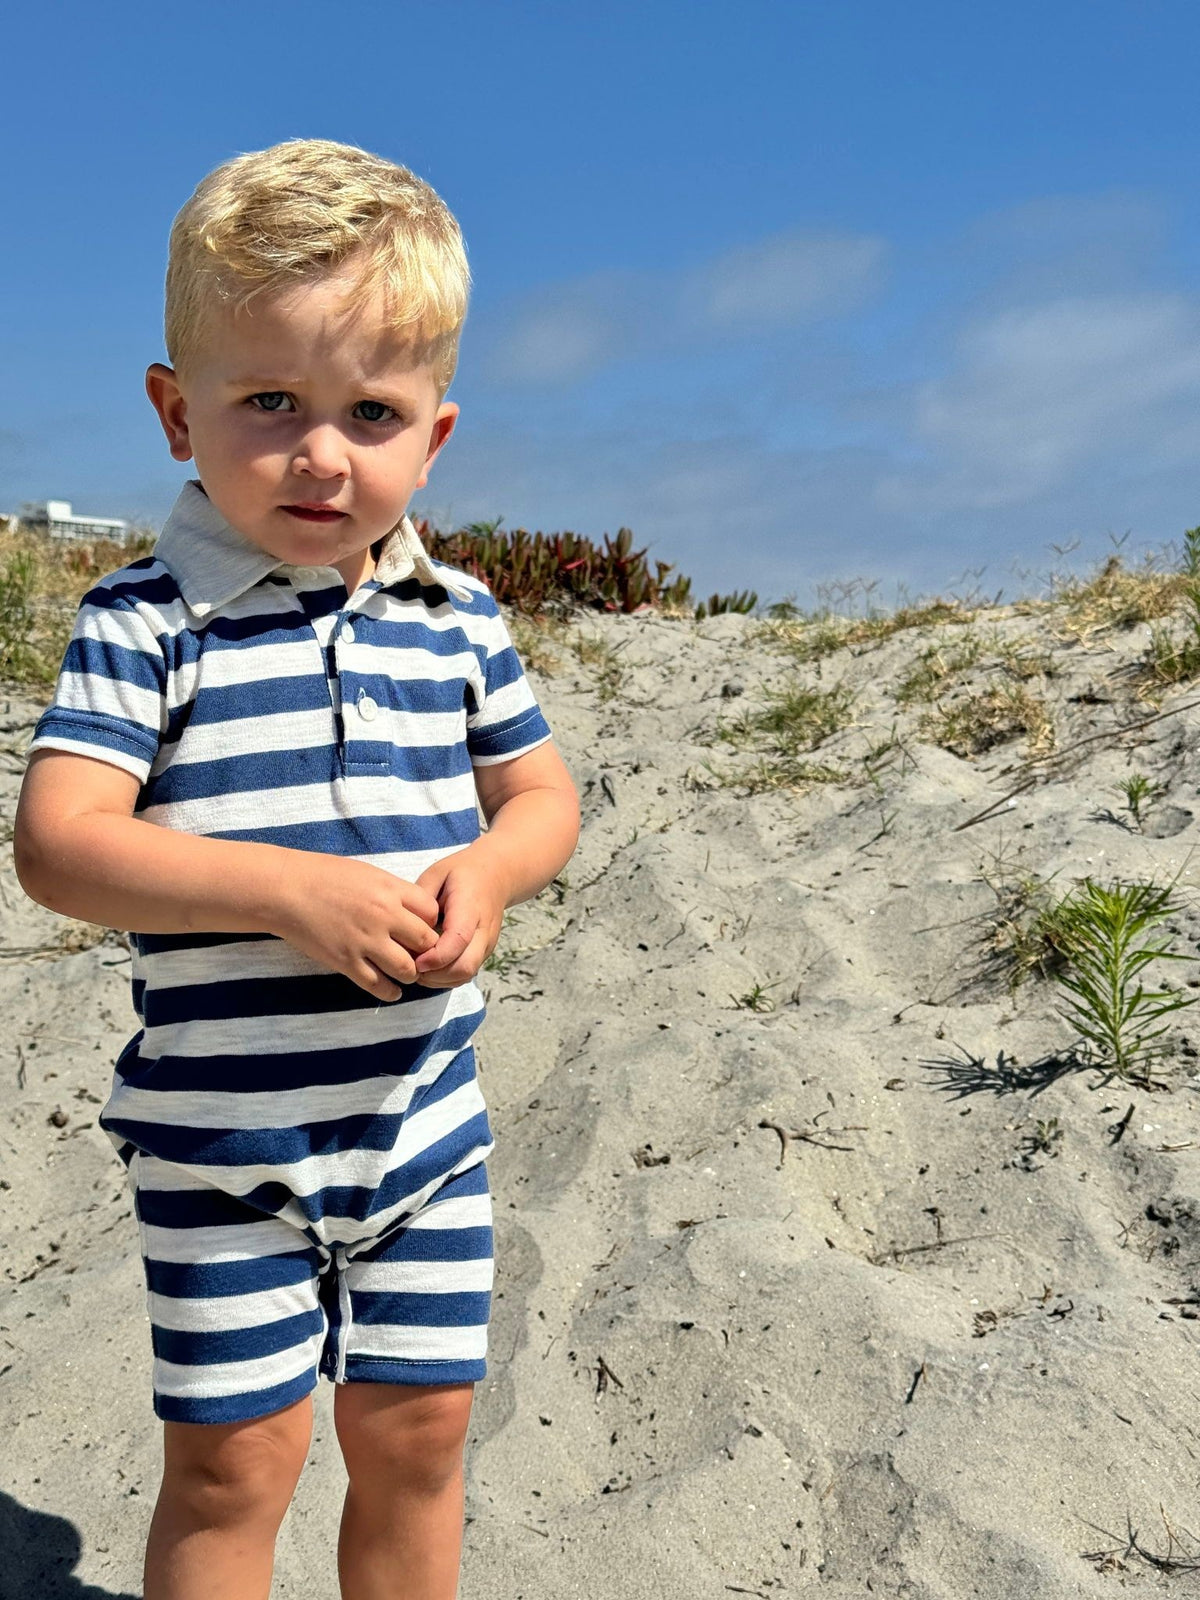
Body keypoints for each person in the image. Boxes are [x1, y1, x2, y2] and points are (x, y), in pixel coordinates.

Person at [13, 136, 580, 1600]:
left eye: (369, 412)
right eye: (269, 402)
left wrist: (494, 875)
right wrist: (284, 889)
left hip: (422, 1137)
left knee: (421, 1439)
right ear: (175, 412)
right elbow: (61, 846)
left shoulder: (457, 618)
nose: (322, 453)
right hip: (225, 1153)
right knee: (233, 1464)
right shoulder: (145, 627)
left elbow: (538, 795)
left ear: (434, 437)